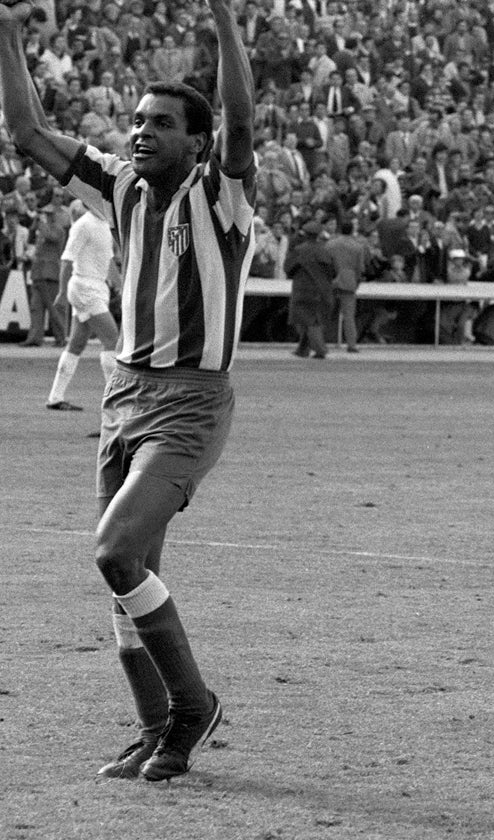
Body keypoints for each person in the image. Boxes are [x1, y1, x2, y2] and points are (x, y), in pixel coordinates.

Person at [0, 0, 254, 782]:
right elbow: (30, 135)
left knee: (114, 552)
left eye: (161, 124)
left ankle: (192, 706)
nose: (140, 131)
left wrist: (221, 17)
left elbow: (241, 117)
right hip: (126, 396)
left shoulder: (222, 194)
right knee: (130, 569)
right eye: (137, 121)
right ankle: (155, 731)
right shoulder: (121, 189)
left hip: (190, 402)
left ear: (197, 141)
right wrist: (6, 33)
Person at [45, 200, 118, 411]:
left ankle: (55, 398)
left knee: (76, 344)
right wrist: (60, 291)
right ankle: (115, 402)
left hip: (95, 287)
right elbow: (67, 259)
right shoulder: (83, 225)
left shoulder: (104, 224)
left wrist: (121, 285)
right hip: (86, 287)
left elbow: (109, 260)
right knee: (112, 340)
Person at [21, 196, 68, 347]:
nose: (45, 217)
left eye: (48, 214)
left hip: (50, 273)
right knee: (36, 307)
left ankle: (61, 337)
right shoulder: (41, 229)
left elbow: (51, 237)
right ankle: (34, 338)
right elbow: (30, 240)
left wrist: (41, 224)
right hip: (38, 273)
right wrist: (34, 226)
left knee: (54, 308)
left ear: (54, 216)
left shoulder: (58, 230)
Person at [285, 220, 334, 359]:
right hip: (321, 290)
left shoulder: (299, 250)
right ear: (318, 235)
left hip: (302, 289)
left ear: (305, 234)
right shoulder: (324, 251)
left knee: (307, 321)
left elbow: (287, 268)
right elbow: (333, 272)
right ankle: (303, 348)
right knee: (313, 320)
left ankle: (320, 349)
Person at [325, 219, 370, 353]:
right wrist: (356, 281)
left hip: (332, 281)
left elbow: (326, 264)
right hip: (349, 282)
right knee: (349, 316)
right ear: (352, 230)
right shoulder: (357, 246)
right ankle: (352, 344)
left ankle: (318, 341)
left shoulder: (330, 244)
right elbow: (360, 268)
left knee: (325, 313)